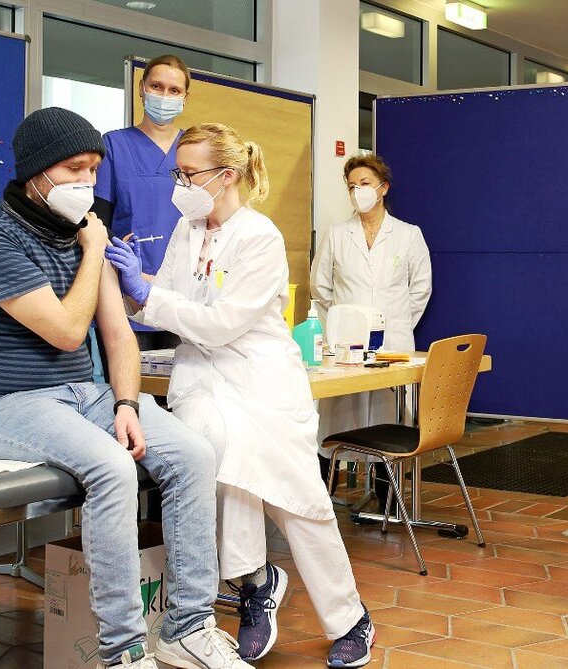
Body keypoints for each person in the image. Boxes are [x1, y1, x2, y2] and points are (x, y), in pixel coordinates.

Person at [0, 108, 245, 669]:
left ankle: (187, 629)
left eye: (92, 170)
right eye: (73, 170)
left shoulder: (86, 233)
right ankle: (124, 652)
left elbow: (118, 337)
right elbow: (63, 331)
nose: (85, 183)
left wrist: (127, 403)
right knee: (111, 468)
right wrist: (91, 252)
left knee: (193, 455)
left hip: (85, 393)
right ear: (35, 173)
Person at [105, 123, 376, 668]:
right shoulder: (187, 229)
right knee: (218, 466)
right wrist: (142, 282)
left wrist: (148, 296)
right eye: (177, 173)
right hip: (203, 381)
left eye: (188, 174)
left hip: (260, 382)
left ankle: (351, 620)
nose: (179, 184)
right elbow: (176, 296)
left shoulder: (261, 237)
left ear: (225, 176)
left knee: (300, 502)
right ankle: (254, 582)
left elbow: (223, 322)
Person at [310, 155, 432, 509]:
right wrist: (338, 325)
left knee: (386, 418)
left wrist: (395, 324)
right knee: (335, 417)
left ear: (383, 188)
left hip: (393, 343)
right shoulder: (336, 234)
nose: (358, 192)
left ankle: (388, 498)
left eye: (365, 184)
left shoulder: (409, 235)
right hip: (345, 346)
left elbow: (420, 289)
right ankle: (322, 498)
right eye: (352, 186)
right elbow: (321, 289)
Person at [93, 54, 191, 352]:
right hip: (126, 291)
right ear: (141, 88)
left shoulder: (194, 150)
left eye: (174, 91)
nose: (164, 96)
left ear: (185, 96)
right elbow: (98, 222)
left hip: (183, 292)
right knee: (131, 390)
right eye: (156, 86)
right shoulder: (113, 145)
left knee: (182, 391)